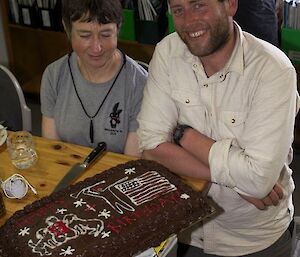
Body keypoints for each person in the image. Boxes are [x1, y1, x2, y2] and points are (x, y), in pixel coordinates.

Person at [137, 0, 299, 256]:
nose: (189, 21)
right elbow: (151, 146)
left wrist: (183, 136)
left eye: (199, 5)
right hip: (185, 231)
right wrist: (239, 183)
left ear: (231, 4)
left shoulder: (273, 70)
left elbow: (258, 179)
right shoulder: (167, 52)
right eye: (178, 10)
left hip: (254, 240)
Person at [40, 0, 147, 157]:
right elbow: (53, 150)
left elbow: (130, 162)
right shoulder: (54, 75)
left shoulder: (139, 83)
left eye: (105, 35)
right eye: (85, 35)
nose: (96, 48)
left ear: (118, 28)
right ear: (67, 29)